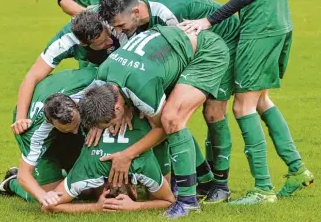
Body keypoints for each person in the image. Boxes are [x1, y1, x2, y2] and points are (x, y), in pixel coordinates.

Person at [179, 0, 314, 204]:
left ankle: (263, 189)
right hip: (282, 22)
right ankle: (297, 170)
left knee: (242, 107)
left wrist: (208, 21)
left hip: (260, 26)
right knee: (261, 99)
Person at [98, 0, 240, 201]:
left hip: (222, 38)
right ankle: (202, 177)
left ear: (135, 13)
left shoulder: (168, 16)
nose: (118, 31)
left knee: (211, 112)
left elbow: (179, 54)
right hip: (189, 45)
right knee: (167, 113)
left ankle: (220, 183)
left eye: (120, 25)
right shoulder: (131, 17)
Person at [79, 25, 229, 218]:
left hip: (207, 51)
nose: (112, 128)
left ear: (117, 107)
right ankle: (206, 182)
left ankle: (187, 201)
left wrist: (127, 155)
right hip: (172, 47)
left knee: (172, 120)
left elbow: (163, 129)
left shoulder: (141, 88)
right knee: (163, 118)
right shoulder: (104, 75)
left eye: (109, 124)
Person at [11, 10, 127, 139]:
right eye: (102, 42)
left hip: (126, 58)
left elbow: (132, 70)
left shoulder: (115, 23)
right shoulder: (63, 42)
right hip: (94, 64)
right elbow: (33, 76)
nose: (110, 42)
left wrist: (124, 106)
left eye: (108, 35)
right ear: (83, 44)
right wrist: (20, 118)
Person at [41, 106, 175, 213]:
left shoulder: (89, 169)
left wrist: (95, 208)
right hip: (131, 106)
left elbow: (48, 207)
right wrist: (135, 206)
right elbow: (169, 201)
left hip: (124, 104)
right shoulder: (143, 167)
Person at [0, 67, 99, 207]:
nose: (76, 132)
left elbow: (116, 76)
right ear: (50, 122)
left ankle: (64, 174)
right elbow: (24, 175)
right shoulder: (34, 132)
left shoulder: (91, 80)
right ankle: (11, 183)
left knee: (87, 191)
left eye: (76, 124)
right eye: (68, 130)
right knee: (51, 193)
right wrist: (43, 197)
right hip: (37, 131)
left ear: (75, 104)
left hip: (64, 89)